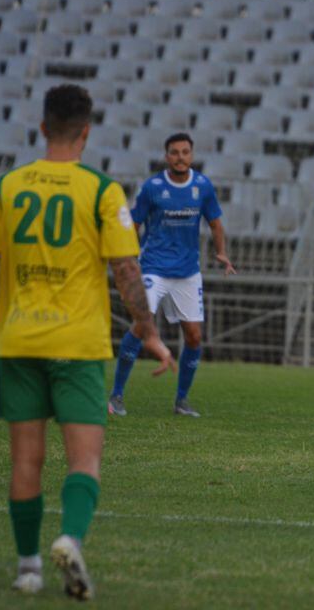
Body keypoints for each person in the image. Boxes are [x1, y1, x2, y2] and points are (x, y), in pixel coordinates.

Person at [0, 84, 175, 598]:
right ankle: (70, 538)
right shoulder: (102, 190)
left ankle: (29, 567)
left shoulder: (8, 186)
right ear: (86, 132)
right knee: (85, 460)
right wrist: (148, 333)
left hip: (19, 340)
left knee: (25, 462)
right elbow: (125, 269)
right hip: (77, 344)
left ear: (41, 129)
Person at [109, 133, 236, 418]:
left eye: (185, 152)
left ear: (192, 155)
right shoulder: (152, 187)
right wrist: (130, 259)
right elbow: (134, 224)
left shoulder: (202, 186)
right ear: (167, 157)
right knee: (141, 325)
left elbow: (215, 223)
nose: (180, 157)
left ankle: (181, 401)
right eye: (175, 152)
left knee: (193, 337)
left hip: (188, 272)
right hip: (154, 268)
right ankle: (116, 395)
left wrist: (221, 252)